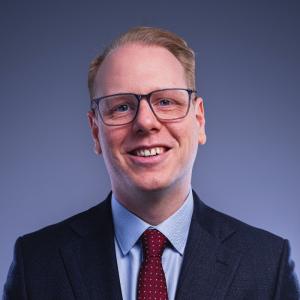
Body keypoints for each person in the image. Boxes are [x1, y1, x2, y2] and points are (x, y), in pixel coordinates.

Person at [3, 26, 299, 300]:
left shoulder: (267, 265)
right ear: (95, 131)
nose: (145, 121)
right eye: (121, 106)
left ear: (199, 119)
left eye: (166, 102)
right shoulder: (37, 263)